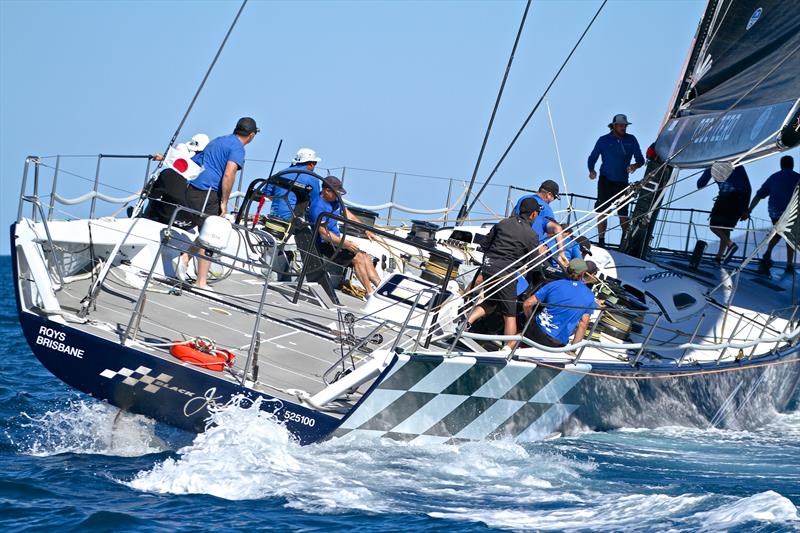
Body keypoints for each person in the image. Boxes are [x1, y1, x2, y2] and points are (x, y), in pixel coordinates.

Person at [174, 117, 259, 289]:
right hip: (208, 193)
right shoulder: (237, 148)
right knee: (211, 236)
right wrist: (224, 202)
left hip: (192, 189)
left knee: (205, 232)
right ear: (251, 135)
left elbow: (194, 162)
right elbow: (229, 174)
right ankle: (201, 282)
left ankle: (185, 259)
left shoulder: (218, 141)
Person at [467, 198, 540, 349]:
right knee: (510, 314)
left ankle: (466, 323)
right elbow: (534, 264)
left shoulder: (503, 223)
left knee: (491, 303)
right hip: (505, 275)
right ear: (533, 214)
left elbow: (485, 244)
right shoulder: (531, 235)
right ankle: (507, 349)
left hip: (488, 268)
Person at [309, 175, 382, 295]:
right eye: (336, 193)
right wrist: (345, 244)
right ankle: (370, 293)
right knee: (357, 258)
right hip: (324, 245)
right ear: (326, 191)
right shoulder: (317, 207)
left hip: (337, 242)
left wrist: (365, 230)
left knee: (366, 257)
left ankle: (380, 286)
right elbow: (323, 234)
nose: (339, 196)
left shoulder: (335, 201)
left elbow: (349, 217)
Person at [588, 114, 644, 246]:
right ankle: (601, 241)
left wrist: (634, 166)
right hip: (605, 180)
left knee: (623, 213)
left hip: (622, 182)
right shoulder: (603, 140)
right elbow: (592, 157)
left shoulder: (631, 139)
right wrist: (591, 170)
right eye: (620, 125)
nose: (623, 128)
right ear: (613, 126)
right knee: (602, 210)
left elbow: (640, 160)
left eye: (624, 125)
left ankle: (625, 242)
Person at [742, 155, 800, 275]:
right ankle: (789, 265)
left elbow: (759, 195)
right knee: (791, 236)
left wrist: (749, 210)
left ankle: (768, 253)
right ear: (792, 165)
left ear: (781, 165)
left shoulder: (774, 177)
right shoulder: (797, 177)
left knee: (778, 233)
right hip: (790, 212)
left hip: (775, 211)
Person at [522, 258, 595, 349]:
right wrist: (572, 350)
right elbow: (583, 324)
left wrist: (530, 319)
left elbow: (527, 304)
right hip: (555, 342)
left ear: (567, 269)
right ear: (583, 273)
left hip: (536, 332)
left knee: (521, 333)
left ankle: (508, 348)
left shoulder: (554, 284)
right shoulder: (590, 296)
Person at [144, 134, 209, 227]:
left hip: (167, 219)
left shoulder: (167, 174)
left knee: (155, 199)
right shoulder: (198, 175)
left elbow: (151, 195)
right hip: (190, 224)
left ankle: (145, 216)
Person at [696, 164, 751, 264]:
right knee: (726, 229)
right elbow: (748, 187)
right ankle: (719, 257)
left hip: (726, 199)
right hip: (739, 202)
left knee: (713, 226)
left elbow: (700, 184)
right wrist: (746, 209)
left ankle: (731, 245)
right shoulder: (738, 164)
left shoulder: (712, 165)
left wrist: (707, 170)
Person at [513, 180, 568, 267]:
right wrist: (561, 253)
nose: (552, 201)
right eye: (553, 197)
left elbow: (512, 217)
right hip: (532, 250)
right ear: (548, 195)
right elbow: (557, 229)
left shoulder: (523, 199)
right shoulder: (547, 209)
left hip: (514, 243)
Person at [266, 148, 322, 221]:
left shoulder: (281, 172)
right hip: (293, 222)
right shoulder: (312, 178)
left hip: (273, 216)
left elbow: (266, 192)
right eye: (315, 163)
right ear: (311, 164)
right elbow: (315, 202)